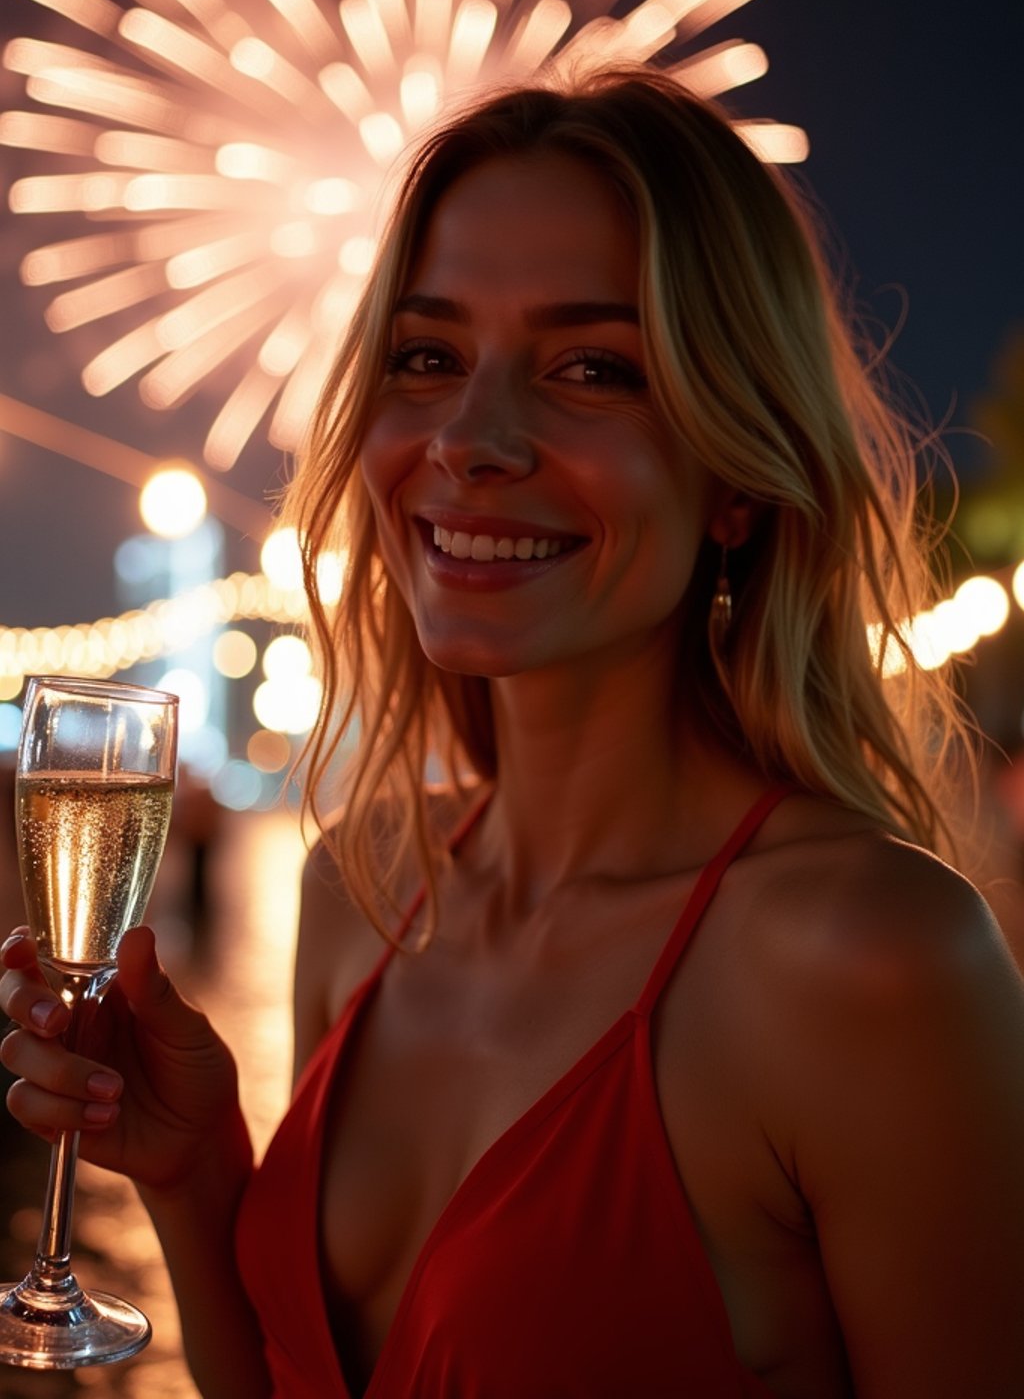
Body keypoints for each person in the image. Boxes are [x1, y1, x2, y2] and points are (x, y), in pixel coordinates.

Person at [4, 68, 1024, 1399]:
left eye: (592, 369)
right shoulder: (362, 894)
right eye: (427, 357)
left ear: (735, 473)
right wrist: (197, 1186)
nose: (471, 439)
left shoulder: (873, 963)